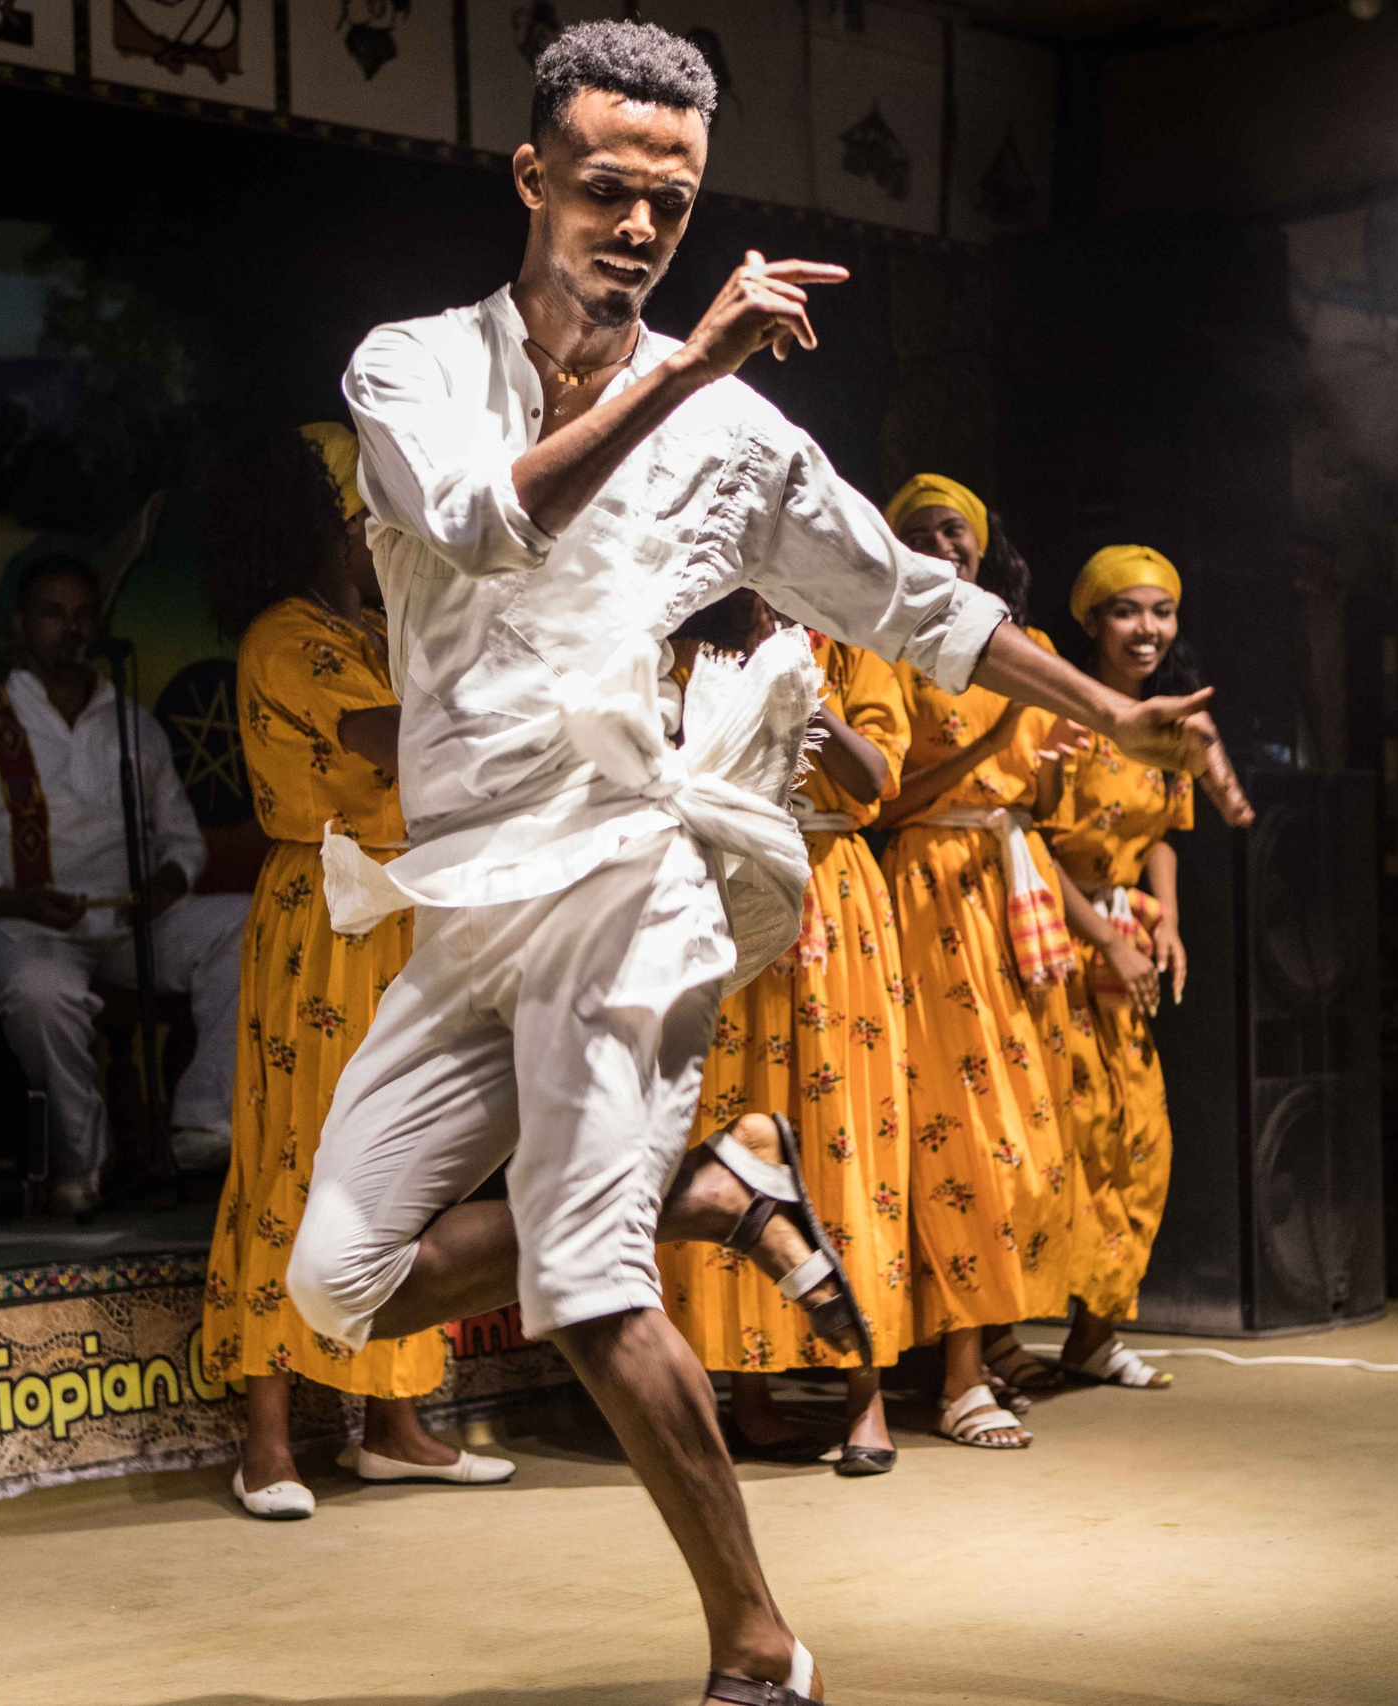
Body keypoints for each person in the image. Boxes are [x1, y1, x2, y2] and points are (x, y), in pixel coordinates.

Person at [282, 24, 1235, 1705]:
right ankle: (711, 1184)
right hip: (469, 897)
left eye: (672, 199)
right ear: (533, 177)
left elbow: (915, 604)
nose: (640, 227)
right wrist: (681, 370)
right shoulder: (409, 369)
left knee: (583, 1282)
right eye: (608, 189)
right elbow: (488, 521)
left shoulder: (733, 427)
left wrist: (1112, 711)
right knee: (340, 1281)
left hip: (632, 872)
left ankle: (759, 1645)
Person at [197, 423, 513, 1523]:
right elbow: (394, 737)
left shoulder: (372, 630)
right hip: (329, 919)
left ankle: (393, 1424)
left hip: (407, 914)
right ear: (336, 529)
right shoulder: (286, 639)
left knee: (403, 1168)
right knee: (300, 1157)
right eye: (380, 521)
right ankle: (267, 1440)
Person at [657, 590, 915, 1478]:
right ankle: (748, 1393)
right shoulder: (690, 645)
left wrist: (798, 690)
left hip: (831, 897)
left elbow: (874, 778)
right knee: (729, 1131)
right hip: (723, 891)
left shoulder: (849, 647)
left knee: (846, 1148)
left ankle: (865, 1395)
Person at [876, 477, 1108, 1452]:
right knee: (962, 1130)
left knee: (1029, 1126)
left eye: (954, 530)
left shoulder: (1028, 647)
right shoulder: (885, 645)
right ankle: (958, 1375)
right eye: (920, 533)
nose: (942, 544)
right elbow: (884, 802)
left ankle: (999, 1330)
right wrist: (1004, 740)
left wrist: (1045, 766)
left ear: (982, 543)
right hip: (931, 888)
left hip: (1013, 892)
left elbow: (1040, 803)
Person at [0, 554, 246, 1214]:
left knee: (252, 920)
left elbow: (183, 840)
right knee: (43, 990)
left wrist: (167, 881)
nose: (71, 627)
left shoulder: (132, 724)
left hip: (126, 922)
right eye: (53, 613)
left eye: (84, 614)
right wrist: (12, 899)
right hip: (18, 926)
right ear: (20, 626)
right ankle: (83, 1165)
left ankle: (205, 1119)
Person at [1036, 545, 1203, 1390]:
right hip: (1050, 939)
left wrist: (1164, 918)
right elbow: (1028, 839)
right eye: (1127, 611)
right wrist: (1105, 937)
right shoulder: (1058, 712)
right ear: (1092, 621)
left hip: (1124, 942)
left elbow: (1165, 832)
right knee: (1061, 1137)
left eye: (1161, 612)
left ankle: (1095, 1333)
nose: (1148, 629)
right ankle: (995, 1341)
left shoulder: (1170, 727)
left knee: (1139, 1140)